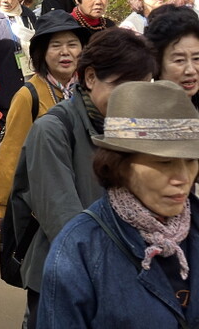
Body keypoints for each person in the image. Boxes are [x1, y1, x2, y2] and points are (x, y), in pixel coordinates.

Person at [12, 28, 156, 327]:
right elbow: (64, 222)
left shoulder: (132, 129)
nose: (134, 99)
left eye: (142, 89)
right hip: (64, 278)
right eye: (123, 86)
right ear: (90, 78)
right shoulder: (52, 131)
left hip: (125, 276)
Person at [37, 80, 199, 328]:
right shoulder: (78, 249)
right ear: (119, 166)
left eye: (191, 160)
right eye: (164, 163)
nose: (183, 178)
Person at [0, 11, 90, 230]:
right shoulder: (29, 95)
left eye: (72, 44)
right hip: (43, 201)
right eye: (56, 45)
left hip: (86, 196)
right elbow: (11, 153)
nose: (65, 52)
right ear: (42, 52)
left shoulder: (90, 89)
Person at [144, 5, 199, 105]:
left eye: (196, 58)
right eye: (179, 60)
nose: (190, 70)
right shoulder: (142, 112)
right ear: (157, 63)